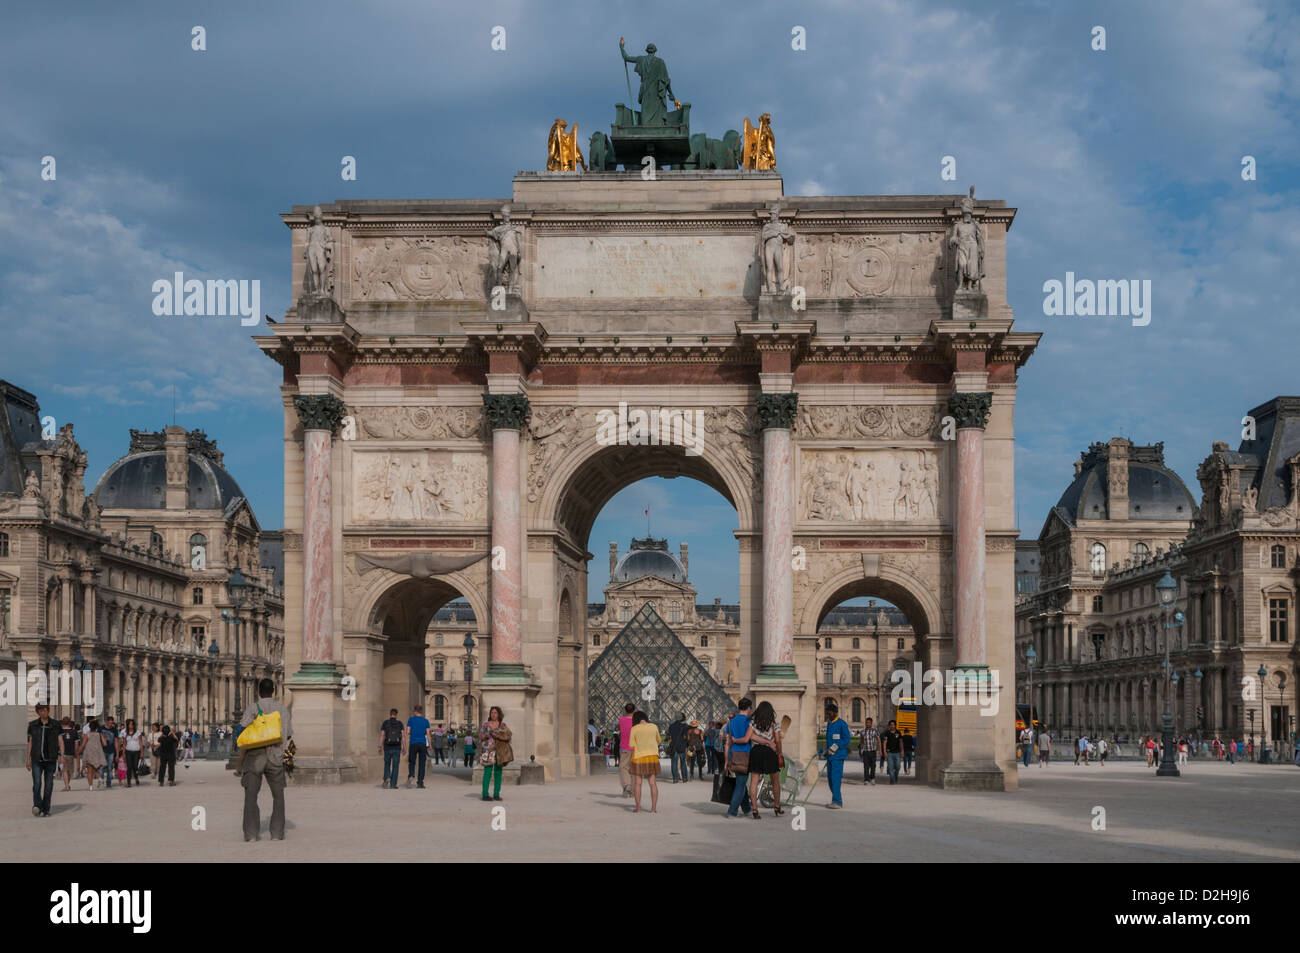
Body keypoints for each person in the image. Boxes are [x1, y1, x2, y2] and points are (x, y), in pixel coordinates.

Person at [240, 678, 291, 842]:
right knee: (278, 796)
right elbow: (288, 734)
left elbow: (243, 728)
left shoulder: (253, 708)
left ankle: (251, 834)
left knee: (251, 796)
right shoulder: (282, 710)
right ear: (274, 691)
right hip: (276, 755)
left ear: (258, 691)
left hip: (255, 756)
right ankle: (276, 833)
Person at [746, 701, 784, 817]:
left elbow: (749, 736)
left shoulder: (753, 723)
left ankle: (755, 809)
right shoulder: (774, 724)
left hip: (756, 751)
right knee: (775, 782)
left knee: (754, 781)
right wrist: (779, 752)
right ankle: (777, 807)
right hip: (770, 752)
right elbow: (777, 740)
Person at [723, 698, 754, 818]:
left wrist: (726, 760)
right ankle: (732, 811)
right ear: (748, 708)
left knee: (741, 782)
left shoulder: (730, 723)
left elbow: (727, 743)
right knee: (741, 784)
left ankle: (746, 808)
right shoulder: (750, 722)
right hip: (745, 756)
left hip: (733, 755)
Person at [27, 703, 60, 816]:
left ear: (48, 710)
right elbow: (30, 742)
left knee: (49, 785)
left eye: (44, 710)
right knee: (37, 784)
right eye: (40, 711)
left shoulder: (55, 724)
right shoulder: (33, 725)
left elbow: (60, 740)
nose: (43, 712)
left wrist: (62, 756)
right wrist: (28, 759)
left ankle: (45, 809)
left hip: (51, 758)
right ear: (38, 712)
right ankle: (37, 805)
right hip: (36, 759)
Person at [628, 710, 661, 813]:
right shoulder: (654, 726)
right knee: (652, 783)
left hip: (639, 757)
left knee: (638, 783)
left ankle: (638, 808)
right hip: (652, 757)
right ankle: (653, 809)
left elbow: (631, 744)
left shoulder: (634, 728)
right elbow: (659, 740)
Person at [479, 706, 512, 802]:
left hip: (499, 751)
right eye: (492, 712)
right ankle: (485, 794)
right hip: (487, 750)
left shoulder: (503, 725)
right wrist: (486, 735)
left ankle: (496, 794)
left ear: (499, 714)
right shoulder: (485, 725)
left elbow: (509, 737)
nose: (493, 714)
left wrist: (500, 736)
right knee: (487, 772)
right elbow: (480, 736)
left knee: (498, 772)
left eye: (495, 713)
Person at [824, 701, 851, 807]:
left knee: (836, 779)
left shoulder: (841, 723)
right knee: (830, 780)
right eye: (827, 714)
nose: (828, 716)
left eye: (830, 714)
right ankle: (835, 799)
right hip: (830, 757)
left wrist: (834, 748)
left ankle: (837, 801)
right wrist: (826, 751)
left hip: (838, 756)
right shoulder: (829, 724)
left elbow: (846, 739)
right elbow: (829, 740)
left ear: (835, 713)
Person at [379, 708, 404, 789]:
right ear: (396, 715)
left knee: (387, 764)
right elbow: (403, 736)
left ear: (390, 714)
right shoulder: (399, 723)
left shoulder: (385, 723)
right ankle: (393, 784)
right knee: (395, 766)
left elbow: (382, 735)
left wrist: (380, 746)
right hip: (397, 747)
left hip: (387, 747)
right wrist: (405, 747)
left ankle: (387, 777)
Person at [78, 718, 107, 789]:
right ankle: (100, 778)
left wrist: (78, 751)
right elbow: (105, 744)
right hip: (97, 752)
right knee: (96, 768)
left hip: (89, 752)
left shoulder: (87, 734)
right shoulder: (99, 734)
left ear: (90, 727)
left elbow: (83, 744)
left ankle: (90, 787)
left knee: (89, 770)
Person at [406, 706, 431, 788]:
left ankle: (411, 774)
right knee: (422, 763)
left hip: (413, 742)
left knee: (412, 761)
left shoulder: (411, 720)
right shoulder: (426, 721)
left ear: (415, 711)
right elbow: (428, 734)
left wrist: (413, 733)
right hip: (422, 743)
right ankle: (420, 782)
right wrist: (430, 744)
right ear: (421, 711)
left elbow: (408, 731)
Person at [618, 702, 635, 797]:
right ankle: (632, 791)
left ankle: (626, 785)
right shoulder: (636, 721)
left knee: (623, 767)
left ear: (625, 710)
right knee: (633, 769)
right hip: (635, 747)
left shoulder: (621, 719)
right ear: (634, 710)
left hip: (625, 747)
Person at [121, 719, 144, 788]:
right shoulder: (125, 733)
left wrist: (142, 753)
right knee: (129, 767)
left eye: (132, 724)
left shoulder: (138, 732)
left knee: (135, 766)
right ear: (128, 725)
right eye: (130, 724)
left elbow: (140, 743)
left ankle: (136, 778)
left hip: (136, 751)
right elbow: (124, 743)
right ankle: (129, 782)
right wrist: (123, 753)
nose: (131, 725)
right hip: (128, 751)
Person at [58, 716, 79, 792]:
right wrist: (76, 753)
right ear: (69, 722)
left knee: (64, 770)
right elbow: (76, 744)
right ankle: (67, 785)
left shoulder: (59, 731)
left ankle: (66, 785)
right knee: (69, 770)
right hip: (71, 754)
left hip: (61, 754)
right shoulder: (74, 732)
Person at [667, 713, 689, 783]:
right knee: (683, 762)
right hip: (682, 746)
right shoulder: (685, 726)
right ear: (682, 718)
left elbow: (668, 737)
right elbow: (686, 737)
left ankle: (675, 779)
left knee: (674, 763)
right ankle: (685, 778)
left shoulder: (671, 726)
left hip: (674, 746)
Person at [881, 719, 903, 785]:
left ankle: (895, 776)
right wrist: (884, 751)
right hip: (889, 753)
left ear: (895, 726)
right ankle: (892, 780)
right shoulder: (887, 733)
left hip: (897, 753)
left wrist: (902, 751)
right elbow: (885, 742)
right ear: (889, 726)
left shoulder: (898, 733)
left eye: (893, 725)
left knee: (898, 766)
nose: (892, 726)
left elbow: (901, 742)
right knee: (890, 767)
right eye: (891, 725)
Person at [860, 718, 879, 784]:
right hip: (865, 751)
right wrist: (860, 750)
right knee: (866, 766)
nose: (868, 724)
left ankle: (872, 777)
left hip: (873, 751)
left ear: (871, 723)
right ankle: (866, 779)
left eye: (869, 723)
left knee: (873, 766)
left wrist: (880, 750)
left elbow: (878, 740)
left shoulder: (875, 731)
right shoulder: (862, 731)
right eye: (867, 722)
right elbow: (861, 741)